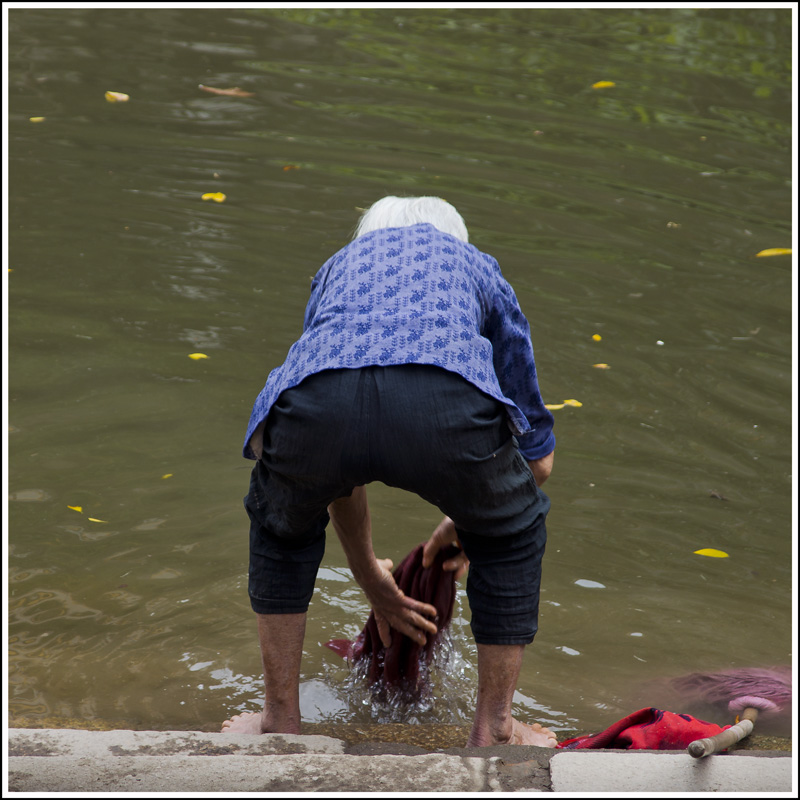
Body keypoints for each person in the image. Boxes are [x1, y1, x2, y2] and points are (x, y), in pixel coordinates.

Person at [221, 196, 558, 748]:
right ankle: (495, 729)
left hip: (314, 406)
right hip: (445, 399)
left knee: (281, 529)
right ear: (457, 241)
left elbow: (339, 458)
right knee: (515, 533)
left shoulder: (338, 267)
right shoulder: (478, 269)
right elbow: (537, 459)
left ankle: (279, 722)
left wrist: (368, 570)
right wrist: (473, 520)